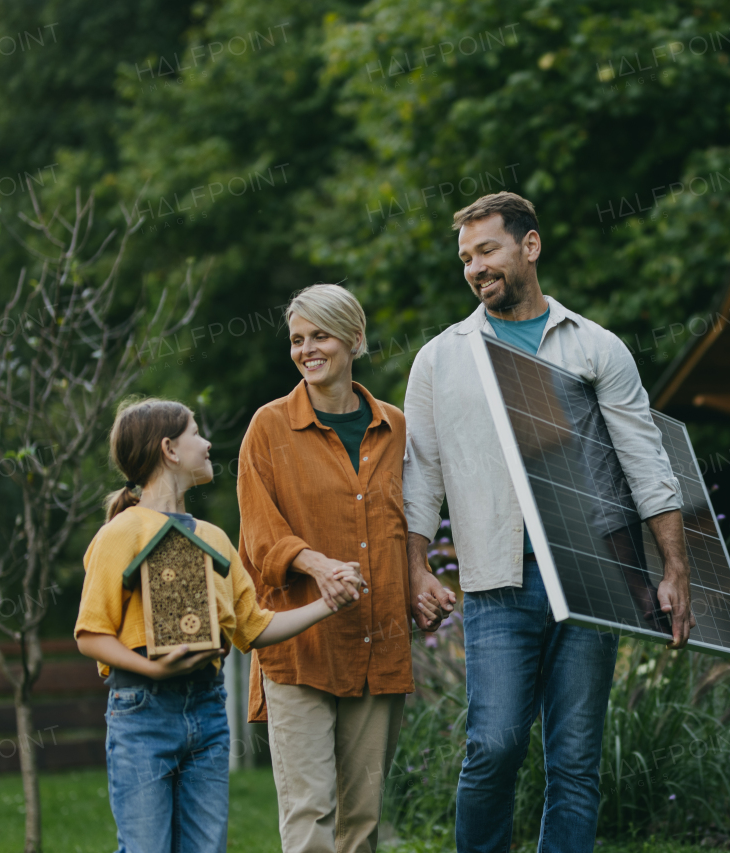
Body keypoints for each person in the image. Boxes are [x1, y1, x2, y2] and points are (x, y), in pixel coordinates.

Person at [402, 191, 696, 853]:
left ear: (529, 246)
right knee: (494, 744)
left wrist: (674, 567)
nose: (475, 267)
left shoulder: (596, 347)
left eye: (488, 250)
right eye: (465, 257)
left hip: (592, 583)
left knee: (574, 759)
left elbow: (645, 458)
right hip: (496, 582)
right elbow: (420, 474)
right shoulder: (441, 357)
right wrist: (415, 566)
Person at [75, 397, 364, 853]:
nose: (207, 443)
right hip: (142, 712)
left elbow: (252, 628)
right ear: (169, 449)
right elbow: (91, 634)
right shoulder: (121, 534)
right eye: (196, 432)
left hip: (207, 713)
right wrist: (153, 669)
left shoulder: (211, 537)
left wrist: (329, 603)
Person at [237, 283, 456, 853]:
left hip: (378, 640)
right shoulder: (269, 426)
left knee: (363, 822)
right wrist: (316, 564)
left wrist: (419, 578)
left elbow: (399, 521)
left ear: (355, 340)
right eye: (297, 339)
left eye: (320, 336)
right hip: (301, 646)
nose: (307, 350)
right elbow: (259, 535)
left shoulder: (394, 426)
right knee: (311, 817)